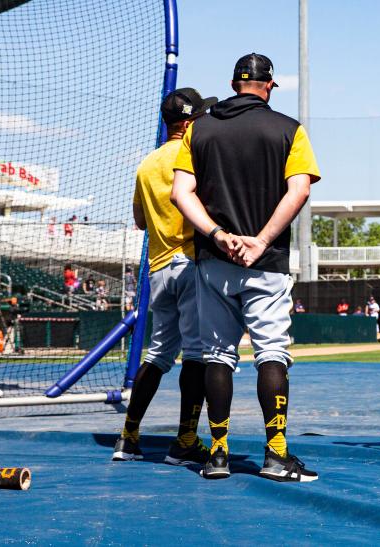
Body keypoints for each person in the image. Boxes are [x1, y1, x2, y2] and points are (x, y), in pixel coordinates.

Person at [171, 53, 320, 482]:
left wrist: (218, 235)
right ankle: (275, 456)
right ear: (269, 84)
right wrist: (261, 240)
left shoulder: (199, 128)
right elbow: (299, 191)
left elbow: (182, 192)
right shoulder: (289, 128)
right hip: (266, 261)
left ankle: (217, 455)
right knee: (271, 352)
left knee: (217, 355)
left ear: (235, 83)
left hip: (215, 260)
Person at [112, 87, 218, 466]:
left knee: (157, 354)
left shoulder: (146, 163)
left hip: (158, 268)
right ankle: (185, 441)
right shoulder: (194, 154)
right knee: (196, 355)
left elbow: (141, 221)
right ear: (188, 124)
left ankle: (128, 437)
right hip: (191, 262)